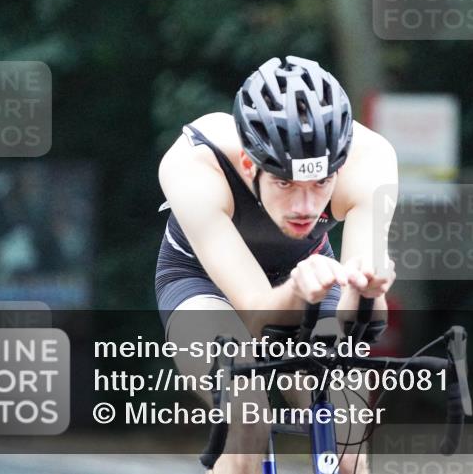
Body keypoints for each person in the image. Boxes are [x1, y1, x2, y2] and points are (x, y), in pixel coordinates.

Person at [155, 56, 398, 474]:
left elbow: (361, 324)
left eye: (321, 182)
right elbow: (259, 315)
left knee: (349, 442)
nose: (305, 206)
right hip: (201, 282)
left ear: (339, 165)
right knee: (248, 418)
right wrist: (297, 291)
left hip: (309, 274)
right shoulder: (195, 163)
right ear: (250, 164)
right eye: (285, 183)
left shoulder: (370, 160)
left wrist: (366, 293)